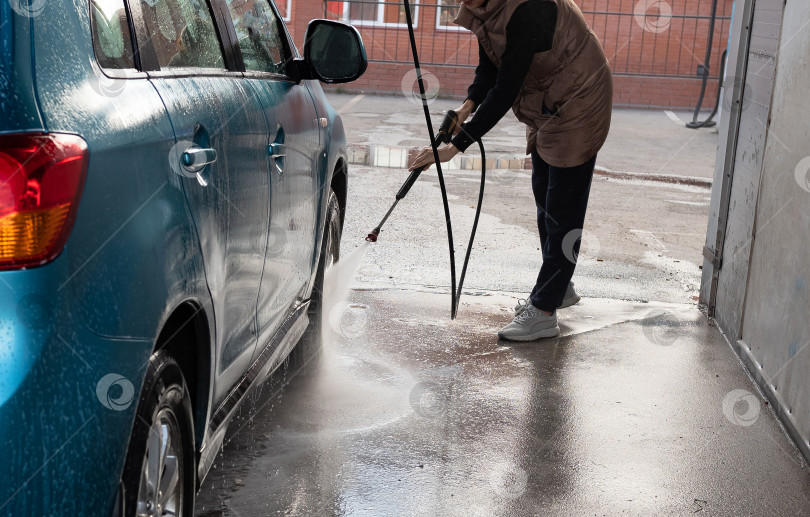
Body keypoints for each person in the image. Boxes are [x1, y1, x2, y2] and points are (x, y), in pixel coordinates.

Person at [409, 0, 612, 341]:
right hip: (549, 103)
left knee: (563, 209)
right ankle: (558, 288)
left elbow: (506, 88)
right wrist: (467, 106)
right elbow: (490, 67)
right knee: (545, 197)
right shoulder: (485, 7)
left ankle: (545, 312)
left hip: (580, 100)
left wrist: (453, 148)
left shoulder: (530, 7)